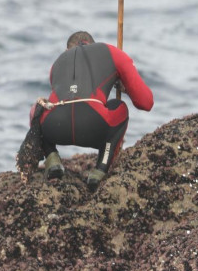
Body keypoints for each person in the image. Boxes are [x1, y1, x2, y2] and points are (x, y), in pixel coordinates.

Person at [35, 31, 153, 191]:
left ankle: (51, 157)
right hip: (92, 126)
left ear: (66, 50)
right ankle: (100, 170)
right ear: (93, 45)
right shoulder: (112, 52)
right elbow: (146, 102)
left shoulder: (57, 64)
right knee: (119, 108)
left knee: (39, 108)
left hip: (56, 128)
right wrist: (123, 86)